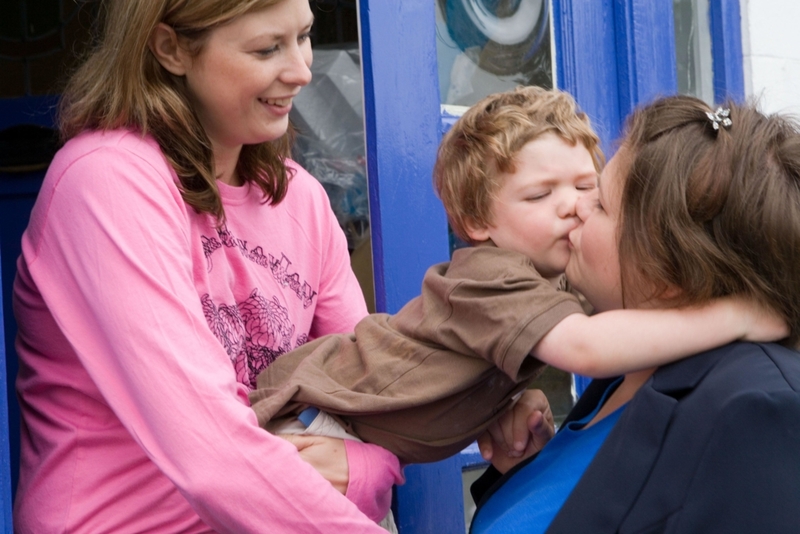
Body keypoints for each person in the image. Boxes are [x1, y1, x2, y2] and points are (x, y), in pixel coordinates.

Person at [12, 1, 404, 532]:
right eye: (268, 48)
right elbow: (211, 459)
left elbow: (375, 399)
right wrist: (349, 473)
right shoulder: (105, 181)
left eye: (304, 36)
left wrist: (369, 466)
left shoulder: (302, 199)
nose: (302, 70)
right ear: (171, 48)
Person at [248, 87, 785, 465]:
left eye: (586, 188)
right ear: (480, 222)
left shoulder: (550, 276)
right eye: (539, 194)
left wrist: (506, 402)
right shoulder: (490, 277)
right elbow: (588, 350)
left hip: (360, 436)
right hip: (320, 420)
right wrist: (736, 313)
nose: (572, 207)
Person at [469, 95, 800, 533]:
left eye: (600, 203)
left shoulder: (755, 412)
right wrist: (528, 471)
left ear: (668, 267)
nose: (577, 209)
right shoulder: (622, 373)